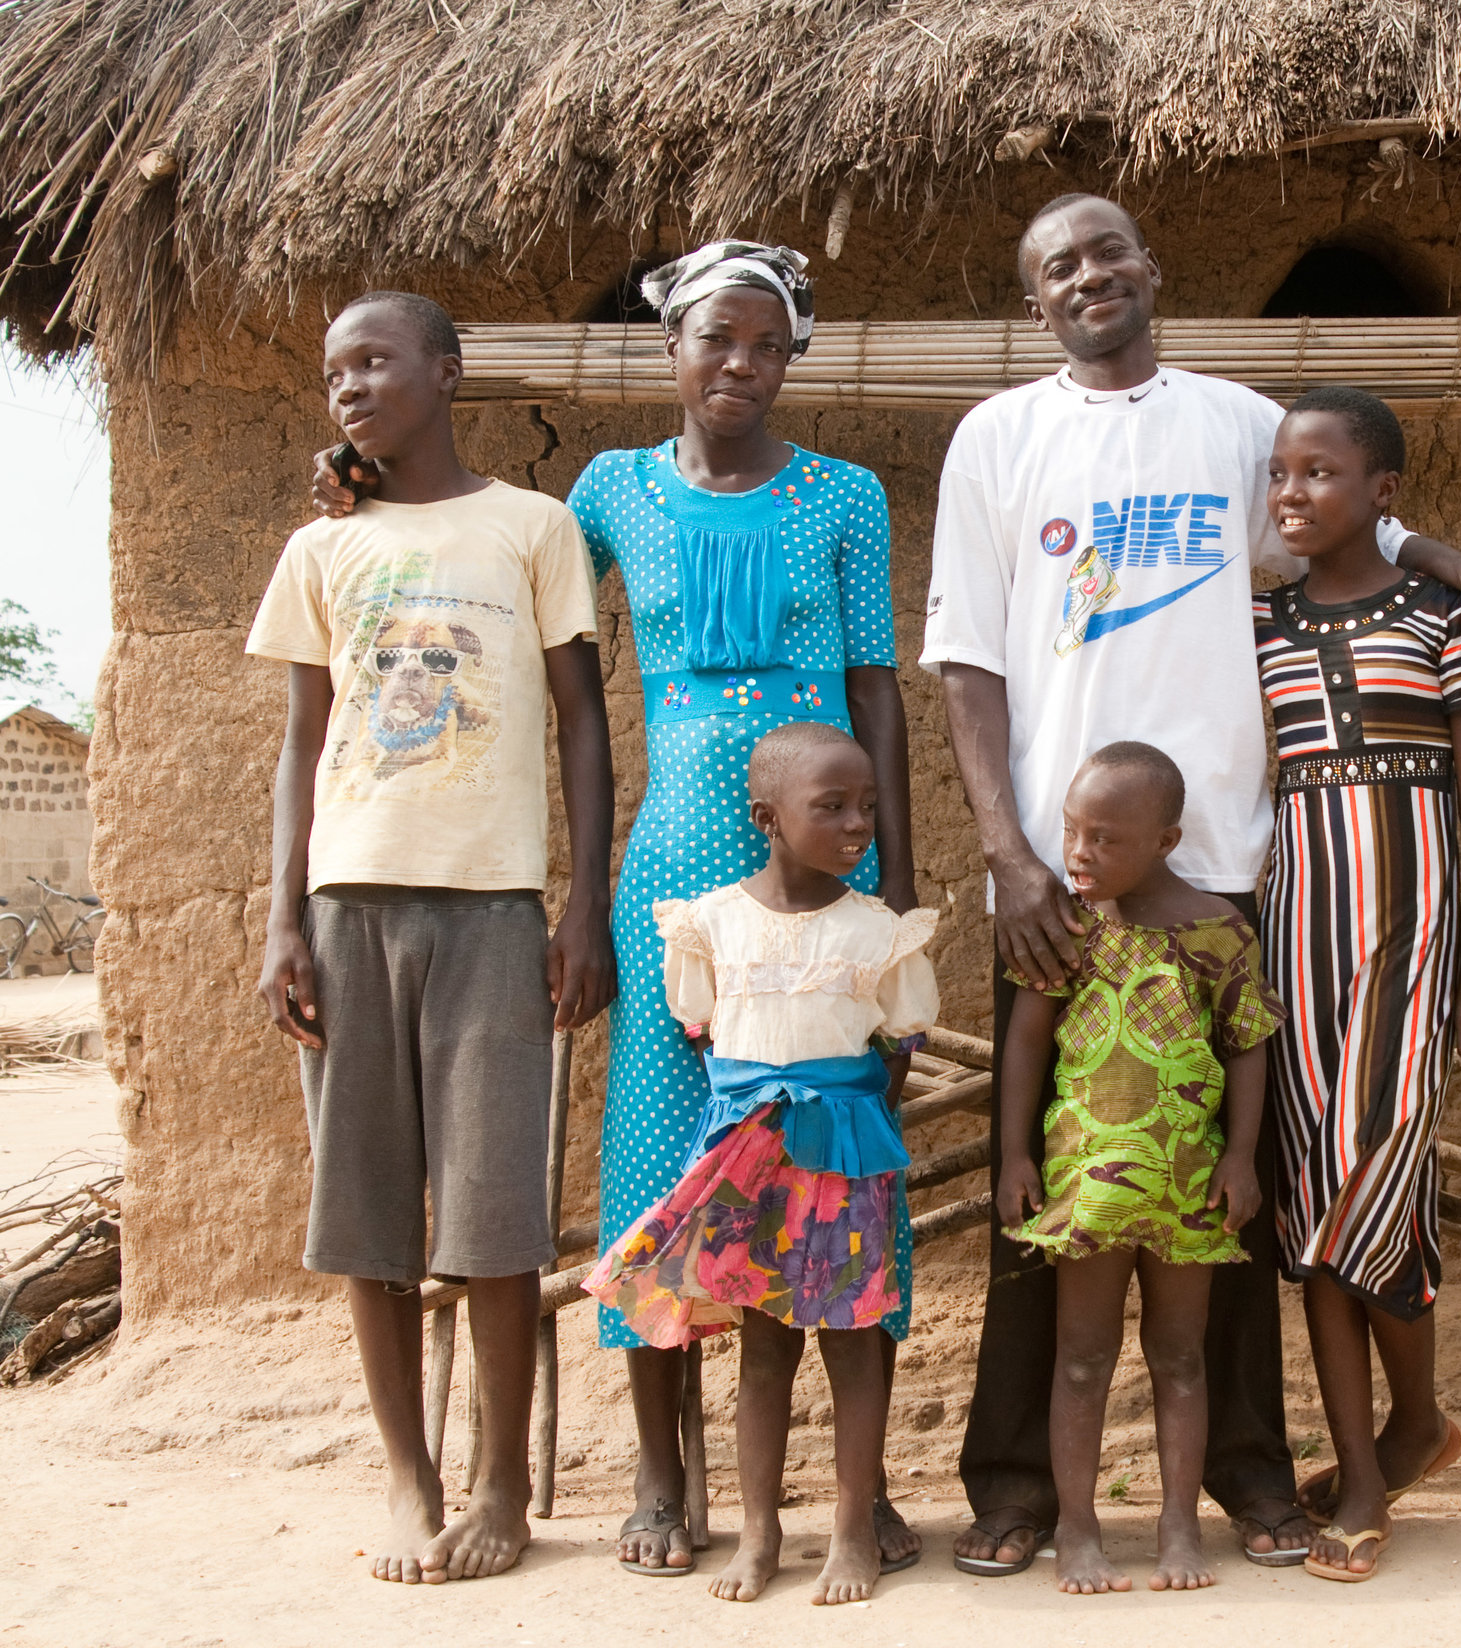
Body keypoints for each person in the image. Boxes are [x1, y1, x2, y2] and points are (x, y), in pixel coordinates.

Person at [922, 191, 1461, 1577]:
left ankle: (1255, 1482)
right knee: (1050, 1194)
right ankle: (1021, 1489)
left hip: (1226, 875)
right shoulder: (1000, 439)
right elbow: (969, 662)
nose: (1087, 279)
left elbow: (1350, 533)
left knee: (1234, 1195)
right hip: (1061, 880)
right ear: (1036, 304)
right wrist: (1009, 856)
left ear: (1151, 268)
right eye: (1055, 269)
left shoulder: (1236, 424)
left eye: (1105, 254)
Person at [312, 240, 922, 1578]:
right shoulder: (607, 494)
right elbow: (490, 575)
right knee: (659, 1172)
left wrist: (897, 889)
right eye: (717, 340)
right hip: (666, 876)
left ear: (793, 358)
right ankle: (661, 1468)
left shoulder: (847, 497)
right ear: (672, 351)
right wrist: (355, 494)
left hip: (824, 887)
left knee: (836, 1169)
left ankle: (854, 1495)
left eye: (768, 345)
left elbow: (875, 692)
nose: (741, 366)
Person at [250, 290, 615, 1584]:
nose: (351, 384)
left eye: (378, 359)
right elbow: (302, 747)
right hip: (349, 907)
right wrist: (281, 919)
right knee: (366, 1215)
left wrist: (584, 902)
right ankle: (409, 1482)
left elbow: (581, 720)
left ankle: (506, 1487)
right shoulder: (319, 550)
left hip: (494, 907)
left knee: (497, 1212)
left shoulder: (533, 526)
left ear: (447, 372)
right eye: (335, 368)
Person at [1249, 388, 1461, 1582]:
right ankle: (1369, 1463)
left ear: (1382, 491)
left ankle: (1408, 1429)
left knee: (1373, 1174)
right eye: (1279, 475)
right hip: (1293, 934)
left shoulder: (1439, 614)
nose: (1290, 494)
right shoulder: (1256, 625)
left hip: (1413, 936)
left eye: (1319, 473)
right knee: (1310, 1193)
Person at [584, 723, 939, 1606]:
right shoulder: (710, 924)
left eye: (866, 805)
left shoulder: (878, 933)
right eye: (833, 807)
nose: (860, 823)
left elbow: (897, 1041)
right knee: (765, 1351)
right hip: (751, 1164)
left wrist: (839, 1110)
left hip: (845, 1157)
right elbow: (700, 1027)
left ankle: (853, 1530)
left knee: (856, 1348)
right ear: (767, 818)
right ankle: (760, 1535)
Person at [992, 742, 1281, 1594]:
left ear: (1165, 840)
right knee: (1081, 1358)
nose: (1078, 853)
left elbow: (1249, 1046)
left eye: (1104, 838)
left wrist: (1239, 1154)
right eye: (1072, 832)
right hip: (1086, 1184)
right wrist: (1013, 1153)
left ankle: (1178, 1527)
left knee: (1180, 1357)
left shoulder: (1216, 931)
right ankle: (1079, 1531)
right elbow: (1027, 1041)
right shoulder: (1066, 925)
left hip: (1187, 1185)